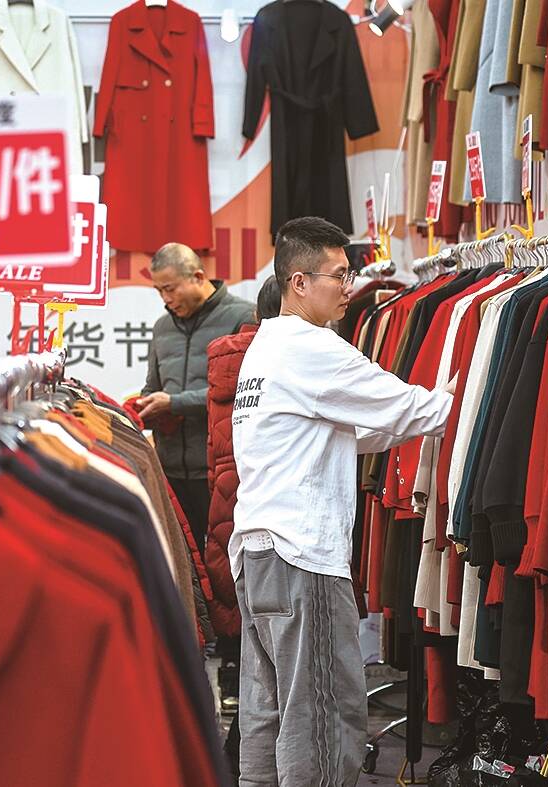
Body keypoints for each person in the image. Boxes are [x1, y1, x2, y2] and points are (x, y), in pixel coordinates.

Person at [230, 217, 457, 786]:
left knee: (269, 712)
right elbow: (412, 408)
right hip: (303, 557)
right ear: (299, 282)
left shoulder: (266, 348)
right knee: (324, 716)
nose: (349, 287)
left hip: (258, 553)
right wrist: (468, 392)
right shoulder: (312, 347)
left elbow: (344, 432)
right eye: (339, 275)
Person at [205, 275, 283, 778]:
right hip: (275, 517)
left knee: (254, 656)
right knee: (284, 665)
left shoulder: (227, 359)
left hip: (228, 503)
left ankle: (242, 764)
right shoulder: (289, 359)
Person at [139, 242, 255, 552]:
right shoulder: (162, 327)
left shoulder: (242, 317)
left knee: (225, 561)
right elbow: (152, 386)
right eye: (159, 291)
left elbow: (242, 392)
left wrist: (174, 403)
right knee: (182, 560)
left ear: (198, 277)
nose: (165, 299)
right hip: (170, 469)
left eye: (170, 289)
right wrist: (146, 405)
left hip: (222, 470)